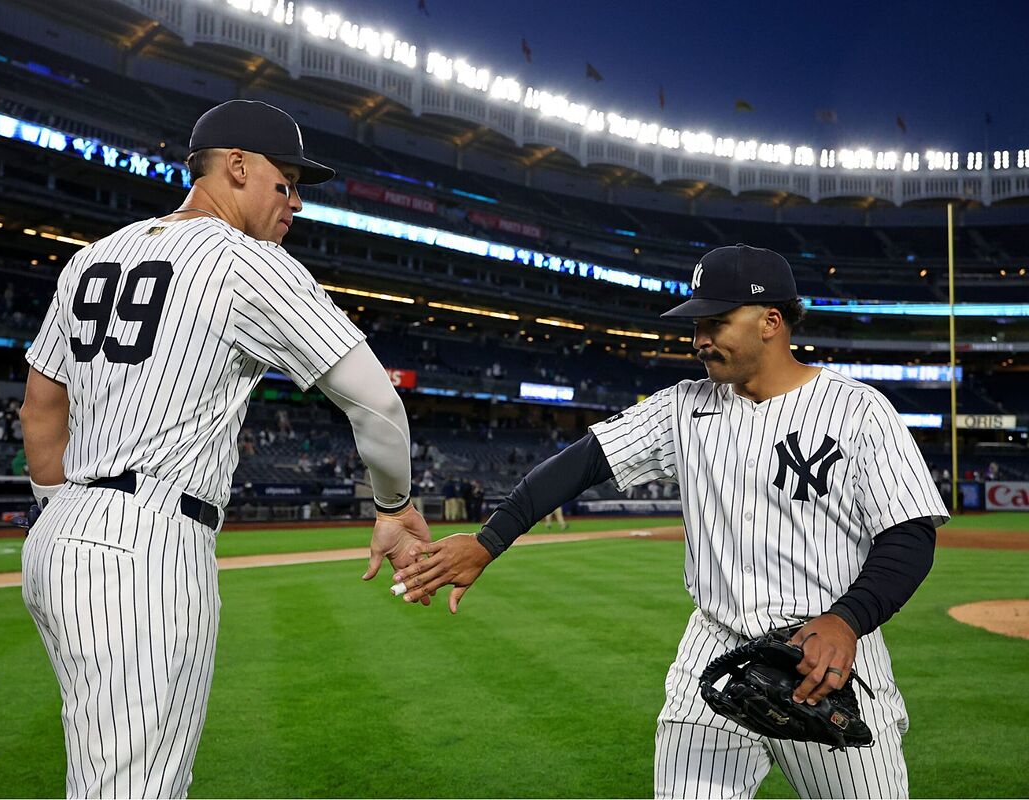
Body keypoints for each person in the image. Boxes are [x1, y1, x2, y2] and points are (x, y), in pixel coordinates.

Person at [393, 244, 948, 799]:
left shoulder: (858, 410)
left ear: (771, 323)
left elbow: (910, 534)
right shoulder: (684, 406)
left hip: (824, 654)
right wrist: (488, 542)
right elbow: (581, 461)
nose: (699, 339)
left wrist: (846, 622)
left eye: (716, 322)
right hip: (714, 649)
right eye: (697, 324)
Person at [19, 99, 430, 799]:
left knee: (103, 769)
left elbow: (40, 409)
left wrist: (72, 515)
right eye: (286, 182)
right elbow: (377, 402)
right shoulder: (248, 262)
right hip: (147, 542)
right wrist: (393, 504)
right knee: (135, 786)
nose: (296, 203)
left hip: (58, 538)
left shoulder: (94, 256)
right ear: (236, 167)